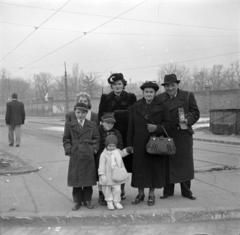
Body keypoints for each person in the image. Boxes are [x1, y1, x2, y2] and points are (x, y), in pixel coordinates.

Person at [126, 81, 172, 206]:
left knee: (154, 170)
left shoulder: (162, 106)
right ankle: (140, 194)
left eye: (151, 92)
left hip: (155, 143)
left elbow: (169, 124)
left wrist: (157, 128)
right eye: (146, 92)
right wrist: (129, 144)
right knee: (139, 169)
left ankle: (151, 195)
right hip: (139, 143)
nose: (149, 94)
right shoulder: (136, 106)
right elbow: (130, 126)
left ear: (155, 93)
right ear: (143, 93)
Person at [157, 74, 200, 200]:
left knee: (184, 164)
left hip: (183, 135)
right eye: (167, 86)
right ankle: (167, 191)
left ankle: (186, 192)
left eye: (172, 85)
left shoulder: (187, 96)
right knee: (167, 164)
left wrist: (188, 120)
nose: (170, 88)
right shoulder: (160, 98)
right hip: (167, 135)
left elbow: (195, 112)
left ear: (177, 85)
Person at [98, 73, 137, 199]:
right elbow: (101, 116)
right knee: (107, 162)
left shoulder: (131, 97)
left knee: (122, 163)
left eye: (119, 84)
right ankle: (105, 191)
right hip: (110, 133)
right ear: (111, 86)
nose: (117, 86)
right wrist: (122, 114)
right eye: (114, 84)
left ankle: (121, 189)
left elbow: (134, 115)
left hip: (126, 134)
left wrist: (114, 114)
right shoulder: (105, 98)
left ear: (124, 84)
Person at [63, 102, 100, 211]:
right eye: (78, 112)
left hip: (88, 154)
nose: (80, 115)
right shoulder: (70, 125)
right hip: (76, 154)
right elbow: (66, 139)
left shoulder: (92, 124)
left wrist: (94, 149)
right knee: (76, 178)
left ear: (86, 113)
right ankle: (77, 201)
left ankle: (87, 200)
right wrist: (69, 149)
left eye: (83, 113)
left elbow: (97, 139)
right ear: (75, 112)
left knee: (88, 178)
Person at [95, 113, 124, 206]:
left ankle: (115, 195)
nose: (110, 125)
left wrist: (116, 152)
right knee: (102, 177)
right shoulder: (97, 131)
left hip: (114, 157)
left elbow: (120, 144)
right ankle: (102, 195)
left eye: (112, 123)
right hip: (101, 157)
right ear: (102, 122)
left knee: (113, 176)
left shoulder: (116, 132)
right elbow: (95, 142)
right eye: (107, 123)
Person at [98, 134, 129, 210]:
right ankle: (109, 202)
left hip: (116, 176)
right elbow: (101, 165)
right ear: (106, 145)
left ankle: (116, 201)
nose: (112, 148)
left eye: (113, 146)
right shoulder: (103, 154)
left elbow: (123, 153)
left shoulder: (117, 152)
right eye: (110, 146)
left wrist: (128, 150)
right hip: (107, 177)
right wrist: (102, 175)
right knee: (107, 190)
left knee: (117, 189)